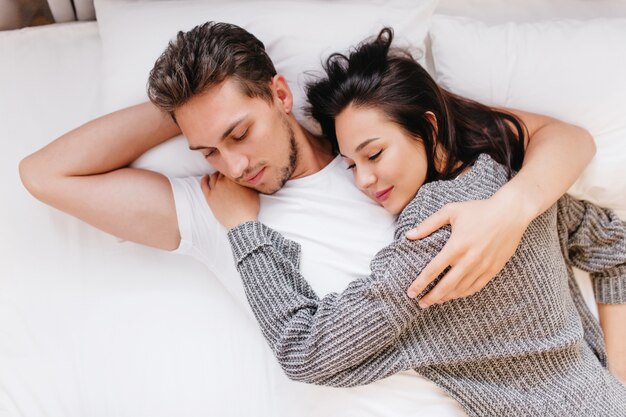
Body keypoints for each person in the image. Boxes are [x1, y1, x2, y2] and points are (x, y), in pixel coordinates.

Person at [19, 21, 601, 416]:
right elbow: (45, 175)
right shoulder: (214, 204)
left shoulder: (375, 138)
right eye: (208, 149)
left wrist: (509, 211)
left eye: (239, 132)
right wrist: (186, 112)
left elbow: (562, 141)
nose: (235, 163)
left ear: (278, 92)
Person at [203, 28, 626, 416]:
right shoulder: (504, 172)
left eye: (375, 154)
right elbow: (614, 247)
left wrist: (244, 231)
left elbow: (304, 352)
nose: (365, 180)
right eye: (350, 165)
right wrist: (615, 380)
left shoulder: (432, 237)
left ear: (426, 126)